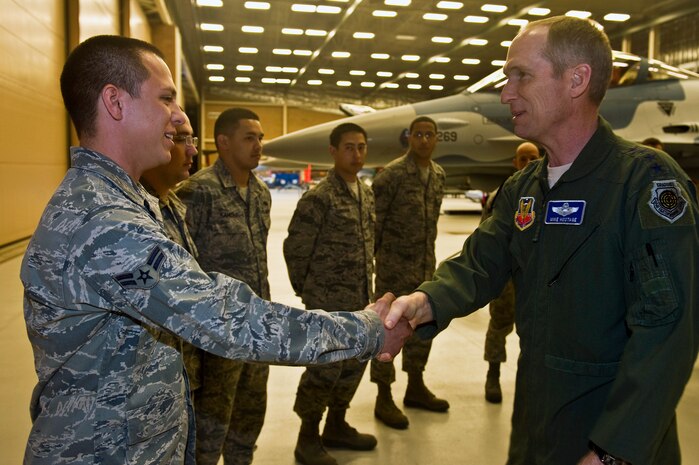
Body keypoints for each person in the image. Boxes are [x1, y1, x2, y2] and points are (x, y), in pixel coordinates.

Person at [20, 35, 411, 465]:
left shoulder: (128, 201)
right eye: (166, 98)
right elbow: (226, 316)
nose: (179, 116)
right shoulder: (104, 221)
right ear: (115, 102)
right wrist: (367, 330)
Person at [379, 16, 699, 465]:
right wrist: (421, 304)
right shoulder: (524, 188)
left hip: (615, 433)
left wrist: (614, 451)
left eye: (521, 76)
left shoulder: (644, 183)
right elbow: (478, 264)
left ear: (577, 80)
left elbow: (668, 333)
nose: (507, 93)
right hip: (537, 424)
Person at [175, 107, 272, 465]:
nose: (258, 145)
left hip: (258, 329)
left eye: (260, 138)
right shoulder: (198, 192)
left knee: (250, 416)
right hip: (217, 336)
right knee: (209, 428)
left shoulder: (261, 194)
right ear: (224, 142)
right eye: (250, 137)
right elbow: (183, 268)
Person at [284, 123, 376, 465]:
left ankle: (336, 425)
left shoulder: (366, 193)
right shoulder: (319, 198)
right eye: (349, 147)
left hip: (360, 299)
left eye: (362, 147)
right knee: (323, 370)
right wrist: (310, 293)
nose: (357, 154)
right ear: (333, 152)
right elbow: (296, 249)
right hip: (328, 303)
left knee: (352, 366)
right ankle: (307, 437)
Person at [370, 115, 448, 430]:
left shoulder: (439, 175)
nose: (425, 140)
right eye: (419, 134)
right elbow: (373, 226)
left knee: (422, 329)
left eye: (430, 134)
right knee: (386, 332)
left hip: (424, 269)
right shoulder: (391, 176)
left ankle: (415, 386)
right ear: (409, 138)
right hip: (393, 272)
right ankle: (383, 396)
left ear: (436, 138)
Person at [140, 112, 202, 400]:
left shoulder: (173, 203)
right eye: (180, 139)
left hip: (182, 370)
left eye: (192, 139)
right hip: (148, 389)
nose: (193, 150)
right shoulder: (133, 214)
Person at [482, 141, 541, 404]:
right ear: (515, 163)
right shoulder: (503, 194)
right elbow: (486, 235)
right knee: (499, 324)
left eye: (533, 158)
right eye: (523, 159)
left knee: (537, 330)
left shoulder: (549, 194)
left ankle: (532, 382)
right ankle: (492, 374)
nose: (528, 163)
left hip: (537, 274)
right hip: (507, 274)